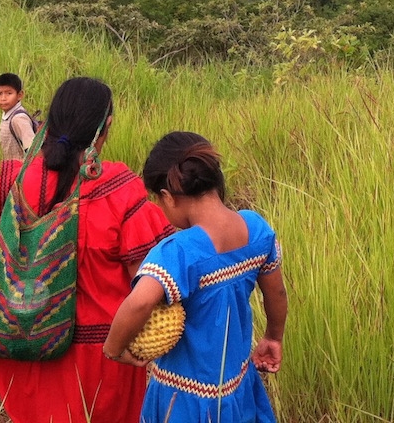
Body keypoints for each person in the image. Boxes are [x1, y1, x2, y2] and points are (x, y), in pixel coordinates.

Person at [0, 77, 173, 423]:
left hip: (22, 353)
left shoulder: (11, 184)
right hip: (101, 360)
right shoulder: (119, 190)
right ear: (104, 128)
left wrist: (20, 315)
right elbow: (146, 285)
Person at [104, 132, 288, 423]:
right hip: (236, 384)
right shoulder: (256, 229)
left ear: (167, 197)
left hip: (183, 397)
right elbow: (276, 293)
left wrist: (113, 349)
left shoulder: (177, 252)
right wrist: (273, 336)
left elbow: (139, 304)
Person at [0, 72, 38, 161]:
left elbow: (33, 150)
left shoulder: (18, 119)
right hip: (11, 170)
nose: (3, 98)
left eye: (9, 93)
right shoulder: (8, 115)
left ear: (20, 95)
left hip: (21, 171)